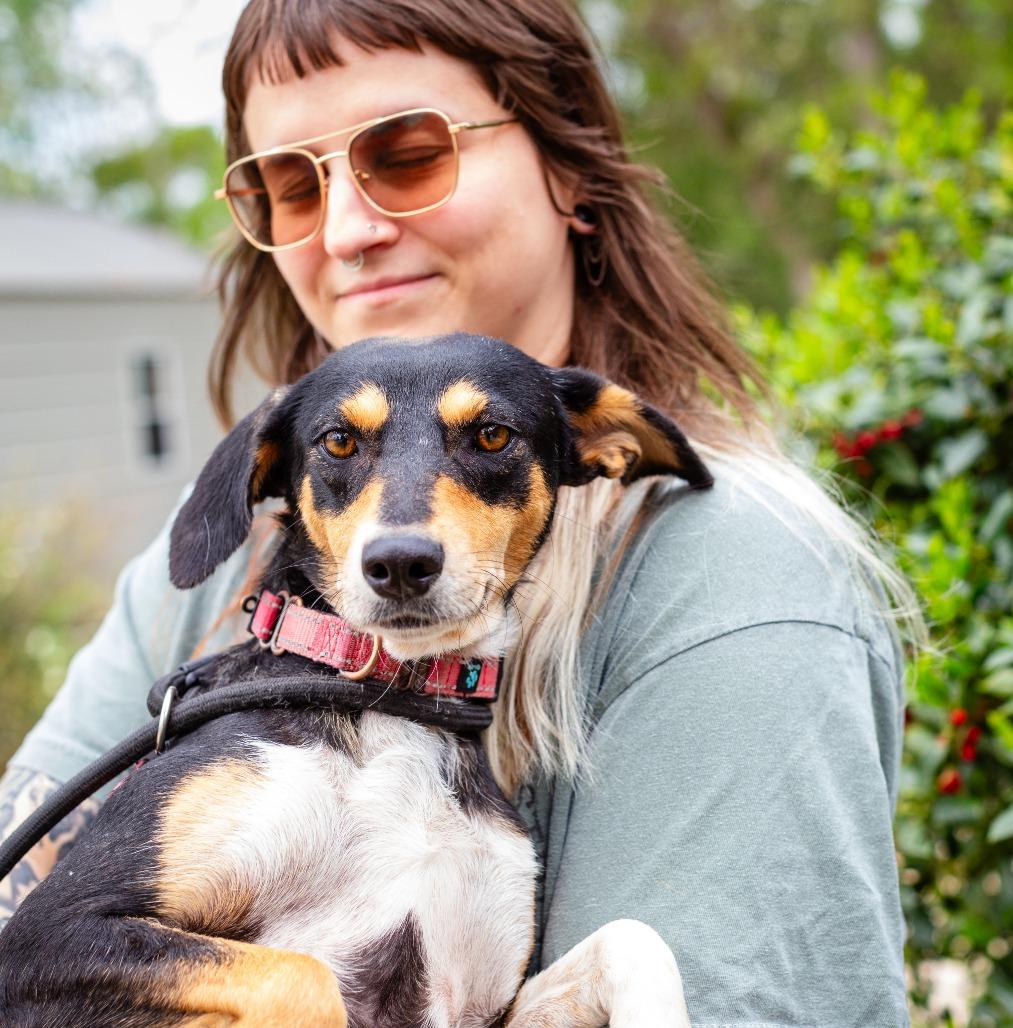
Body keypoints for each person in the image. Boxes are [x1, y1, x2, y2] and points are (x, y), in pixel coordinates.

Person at [0, 0, 920, 1023]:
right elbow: (27, 924)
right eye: (292, 184)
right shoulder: (225, 553)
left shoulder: (733, 579)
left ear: (567, 163)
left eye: (406, 153)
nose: (347, 229)